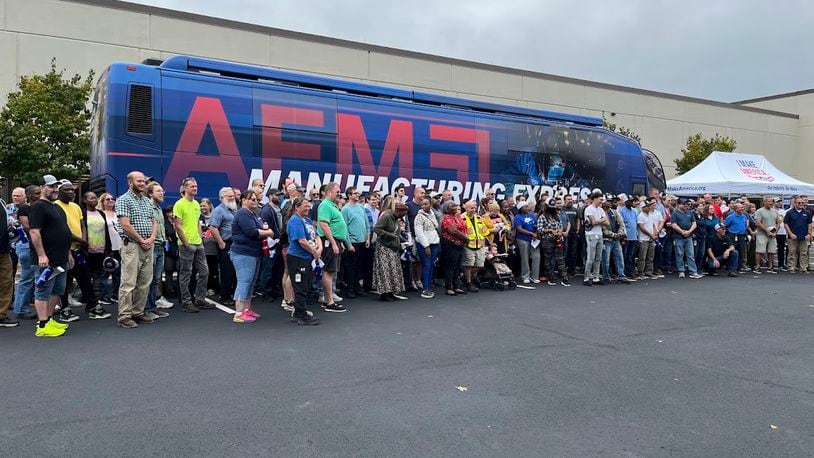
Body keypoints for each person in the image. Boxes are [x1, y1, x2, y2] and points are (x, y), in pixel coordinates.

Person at [29, 174, 74, 336]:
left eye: (56, 186)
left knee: (57, 290)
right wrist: (42, 255)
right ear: (41, 188)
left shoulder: (57, 207)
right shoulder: (38, 207)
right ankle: (42, 326)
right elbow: (34, 231)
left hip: (60, 258)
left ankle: (49, 319)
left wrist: (68, 253)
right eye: (50, 186)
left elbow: (64, 232)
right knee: (43, 290)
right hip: (45, 260)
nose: (54, 189)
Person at [115, 171, 158, 328]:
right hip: (132, 245)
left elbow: (154, 222)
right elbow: (125, 225)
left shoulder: (147, 201)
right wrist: (141, 240)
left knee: (145, 281)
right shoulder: (123, 200)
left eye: (143, 181)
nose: (142, 184)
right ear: (130, 183)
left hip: (148, 244)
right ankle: (125, 316)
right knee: (129, 282)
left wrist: (152, 238)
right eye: (139, 181)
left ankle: (138, 312)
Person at [229, 190, 275, 323]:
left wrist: (266, 231)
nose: (255, 201)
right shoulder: (243, 213)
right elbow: (251, 232)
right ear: (243, 200)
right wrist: (268, 232)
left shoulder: (253, 214)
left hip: (253, 252)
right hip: (243, 253)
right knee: (244, 281)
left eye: (256, 199)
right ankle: (238, 313)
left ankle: (246, 309)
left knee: (251, 282)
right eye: (252, 199)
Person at [174, 177, 211, 313]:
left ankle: (200, 299)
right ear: (184, 188)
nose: (195, 188)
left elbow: (197, 223)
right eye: (192, 186)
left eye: (195, 186)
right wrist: (185, 242)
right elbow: (177, 225)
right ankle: (186, 302)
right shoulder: (179, 204)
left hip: (198, 243)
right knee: (186, 273)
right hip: (186, 244)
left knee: (204, 272)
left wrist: (200, 238)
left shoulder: (196, 204)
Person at [285, 197, 321, 325]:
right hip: (297, 258)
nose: (308, 208)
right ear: (296, 207)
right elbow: (301, 241)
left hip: (307, 258)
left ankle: (298, 311)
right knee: (300, 287)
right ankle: (301, 315)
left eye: (308, 205)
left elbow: (316, 235)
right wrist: (314, 251)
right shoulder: (295, 221)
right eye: (305, 206)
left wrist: (319, 248)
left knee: (305, 285)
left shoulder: (307, 220)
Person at [80, 191, 114, 319]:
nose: (94, 200)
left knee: (98, 277)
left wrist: (108, 249)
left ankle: (96, 302)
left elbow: (106, 232)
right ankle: (90, 303)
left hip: (101, 250)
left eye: (95, 198)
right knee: (87, 277)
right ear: (84, 200)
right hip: (87, 251)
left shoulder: (100, 213)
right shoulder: (83, 213)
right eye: (90, 198)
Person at [317, 182, 348, 312]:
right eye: (337, 192)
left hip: (335, 241)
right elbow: (324, 225)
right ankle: (329, 301)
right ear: (329, 192)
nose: (339, 194)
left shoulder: (332, 206)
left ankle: (327, 299)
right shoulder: (325, 205)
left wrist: (340, 242)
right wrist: (334, 243)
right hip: (329, 243)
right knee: (328, 271)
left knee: (331, 271)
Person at [142, 182, 170, 320]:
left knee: (156, 280)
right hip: (151, 247)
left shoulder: (159, 209)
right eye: (158, 191)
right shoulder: (147, 207)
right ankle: (146, 309)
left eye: (162, 191)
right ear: (151, 193)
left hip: (160, 246)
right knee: (149, 279)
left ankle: (152, 307)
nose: (162, 193)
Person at [12, 185, 40, 319]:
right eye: (35, 193)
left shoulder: (40, 207)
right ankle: (21, 309)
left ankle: (31, 304)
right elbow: (28, 227)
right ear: (28, 195)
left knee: (36, 277)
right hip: (26, 245)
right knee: (27, 277)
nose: (38, 195)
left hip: (36, 246)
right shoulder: (24, 209)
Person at [373, 202, 408, 301]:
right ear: (398, 211)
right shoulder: (387, 217)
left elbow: (396, 233)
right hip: (384, 247)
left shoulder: (396, 219)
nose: (403, 216)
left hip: (393, 247)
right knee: (385, 271)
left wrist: (404, 240)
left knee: (393, 270)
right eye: (402, 214)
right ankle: (384, 293)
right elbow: (377, 229)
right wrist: (389, 235)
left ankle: (391, 292)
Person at [340, 186, 370, 298]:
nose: (358, 195)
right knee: (351, 267)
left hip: (362, 241)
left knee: (359, 266)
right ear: (349, 195)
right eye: (355, 193)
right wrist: (348, 244)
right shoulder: (345, 209)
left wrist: (367, 239)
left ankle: (357, 288)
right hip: (353, 242)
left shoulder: (361, 208)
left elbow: (367, 224)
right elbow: (344, 228)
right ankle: (350, 289)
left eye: (358, 193)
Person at [209, 187, 237, 305]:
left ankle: (234, 294)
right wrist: (221, 243)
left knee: (235, 271)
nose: (232, 198)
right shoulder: (218, 211)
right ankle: (225, 296)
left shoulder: (234, 210)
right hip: (226, 243)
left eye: (233, 196)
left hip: (236, 244)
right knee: (226, 271)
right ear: (221, 198)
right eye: (229, 196)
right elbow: (213, 227)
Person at [461, 199, 492, 292]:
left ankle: (465, 276)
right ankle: (469, 283)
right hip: (468, 245)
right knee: (469, 265)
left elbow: (484, 231)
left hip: (480, 245)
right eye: (471, 208)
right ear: (465, 208)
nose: (473, 209)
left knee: (480, 265)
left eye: (475, 207)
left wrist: (490, 242)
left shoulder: (478, 218)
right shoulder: (461, 218)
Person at [538, 198, 569, 286]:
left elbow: (561, 226)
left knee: (560, 259)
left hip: (557, 239)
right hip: (547, 240)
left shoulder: (557, 216)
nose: (552, 209)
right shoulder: (542, 216)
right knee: (548, 259)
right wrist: (550, 230)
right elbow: (540, 229)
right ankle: (551, 277)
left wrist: (559, 232)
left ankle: (564, 277)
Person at [98, 192, 122, 304]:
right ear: (102, 201)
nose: (111, 201)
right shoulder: (100, 213)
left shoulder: (118, 213)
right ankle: (103, 296)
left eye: (112, 199)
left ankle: (115, 294)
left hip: (119, 246)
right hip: (107, 247)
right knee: (105, 272)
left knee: (118, 272)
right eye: (107, 199)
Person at [414, 197, 440, 299]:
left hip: (434, 243)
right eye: (422, 204)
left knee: (431, 266)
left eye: (426, 204)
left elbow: (436, 227)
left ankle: (429, 286)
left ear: (430, 204)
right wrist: (426, 245)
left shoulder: (432, 214)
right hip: (425, 245)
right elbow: (419, 233)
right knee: (426, 265)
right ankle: (425, 289)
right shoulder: (419, 217)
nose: (424, 206)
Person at [440, 201, 468, 295]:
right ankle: (449, 287)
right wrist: (465, 238)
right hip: (450, 244)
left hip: (460, 244)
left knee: (457, 266)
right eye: (453, 206)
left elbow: (464, 227)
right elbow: (453, 231)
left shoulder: (458, 217)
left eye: (456, 206)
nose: (455, 207)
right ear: (447, 208)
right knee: (450, 266)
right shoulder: (446, 218)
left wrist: (465, 238)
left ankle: (456, 286)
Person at [600, 197, 631, 284]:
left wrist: (620, 233)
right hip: (606, 239)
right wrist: (612, 234)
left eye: (611, 202)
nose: (610, 203)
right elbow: (602, 227)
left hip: (616, 239)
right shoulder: (600, 212)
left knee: (619, 258)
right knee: (606, 259)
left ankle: (621, 275)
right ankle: (606, 276)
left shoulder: (614, 212)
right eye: (608, 201)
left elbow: (621, 223)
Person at [671, 198, 703, 279]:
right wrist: (682, 232)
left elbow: (694, 224)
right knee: (679, 254)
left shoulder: (690, 212)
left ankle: (693, 271)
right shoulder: (675, 213)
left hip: (689, 237)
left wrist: (689, 232)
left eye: (686, 204)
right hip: (678, 237)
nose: (685, 206)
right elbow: (674, 225)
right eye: (683, 204)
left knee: (690, 254)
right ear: (678, 204)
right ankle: (681, 271)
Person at [784, 196, 813, 273]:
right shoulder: (789, 213)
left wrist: (809, 234)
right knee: (792, 252)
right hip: (792, 236)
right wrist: (790, 233)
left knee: (804, 253)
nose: (801, 204)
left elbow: (809, 224)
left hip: (804, 236)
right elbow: (785, 224)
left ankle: (803, 268)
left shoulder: (807, 213)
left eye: (802, 203)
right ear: (795, 203)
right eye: (799, 203)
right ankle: (791, 268)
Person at [0, 198, 17, 328]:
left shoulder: (2, 202)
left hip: (4, 248)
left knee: (6, 281)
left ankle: (1, 314)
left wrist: (11, 224)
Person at [513, 201, 539, 284]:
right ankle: (525, 276)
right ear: (521, 209)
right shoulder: (517, 217)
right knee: (525, 258)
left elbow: (536, 225)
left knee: (536, 257)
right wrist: (531, 233)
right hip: (522, 239)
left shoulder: (532, 216)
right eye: (526, 207)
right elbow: (519, 229)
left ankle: (534, 276)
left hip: (533, 240)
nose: (528, 208)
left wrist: (536, 233)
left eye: (528, 206)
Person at [583, 191, 606, 286]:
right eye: (600, 199)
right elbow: (593, 222)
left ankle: (596, 277)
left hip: (599, 234)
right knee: (590, 257)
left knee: (598, 257)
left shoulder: (601, 210)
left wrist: (599, 221)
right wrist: (601, 220)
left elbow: (607, 222)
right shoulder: (589, 209)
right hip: (590, 234)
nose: (602, 201)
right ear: (595, 199)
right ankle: (586, 277)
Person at [753, 196, 780, 274]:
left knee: (772, 251)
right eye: (768, 201)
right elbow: (758, 222)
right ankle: (757, 267)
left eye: (771, 201)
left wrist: (776, 232)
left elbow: (778, 222)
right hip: (762, 234)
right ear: (764, 202)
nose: (770, 203)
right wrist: (767, 231)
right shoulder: (759, 211)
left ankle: (770, 267)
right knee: (760, 251)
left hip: (773, 234)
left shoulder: (775, 211)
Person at [636, 199, 661, 279]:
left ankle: (649, 271)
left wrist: (655, 233)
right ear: (643, 207)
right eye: (647, 206)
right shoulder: (640, 216)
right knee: (642, 257)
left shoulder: (650, 215)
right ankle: (641, 272)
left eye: (649, 206)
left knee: (650, 256)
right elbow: (642, 227)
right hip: (643, 239)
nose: (649, 208)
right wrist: (651, 235)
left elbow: (653, 225)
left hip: (651, 238)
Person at [724, 203, 749, 273]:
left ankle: (739, 267)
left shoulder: (744, 216)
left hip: (741, 235)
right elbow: (725, 225)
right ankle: (729, 267)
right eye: (740, 208)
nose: (742, 209)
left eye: (742, 207)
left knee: (741, 251)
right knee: (732, 251)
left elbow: (745, 226)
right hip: (732, 235)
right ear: (736, 209)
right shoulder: (731, 217)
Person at [618, 196, 639, 278]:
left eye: (632, 201)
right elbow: (622, 224)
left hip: (633, 235)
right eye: (629, 201)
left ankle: (631, 270)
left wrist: (637, 234)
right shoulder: (621, 211)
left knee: (632, 254)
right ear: (625, 202)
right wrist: (623, 236)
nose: (631, 203)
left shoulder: (634, 211)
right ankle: (625, 271)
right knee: (625, 254)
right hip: (626, 236)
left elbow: (636, 222)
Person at [775, 200, 788, 271]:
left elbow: (784, 221)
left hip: (783, 232)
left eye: (780, 202)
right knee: (772, 249)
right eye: (777, 202)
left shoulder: (783, 211)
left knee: (781, 249)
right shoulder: (772, 211)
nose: (779, 203)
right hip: (774, 232)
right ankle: (770, 264)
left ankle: (781, 264)